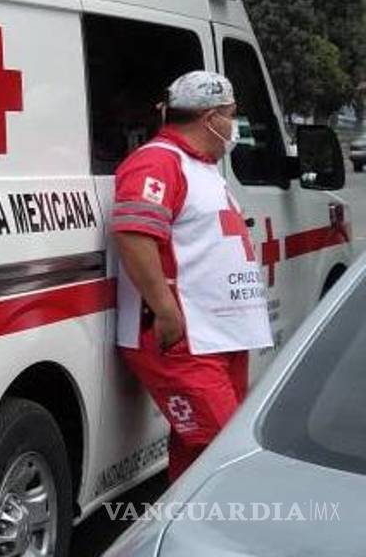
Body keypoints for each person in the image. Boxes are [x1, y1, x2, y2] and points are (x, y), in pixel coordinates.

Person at [110, 70, 273, 481]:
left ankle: (188, 535)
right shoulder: (157, 161)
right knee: (228, 455)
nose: (234, 126)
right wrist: (165, 311)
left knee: (197, 453)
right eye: (231, 115)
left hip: (218, 337)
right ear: (210, 118)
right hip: (185, 341)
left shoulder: (200, 167)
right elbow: (134, 235)